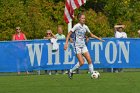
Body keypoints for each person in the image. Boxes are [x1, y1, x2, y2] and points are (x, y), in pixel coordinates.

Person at [64, 13, 104, 79]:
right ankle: (70, 71)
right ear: (79, 19)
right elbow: (69, 34)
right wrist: (66, 43)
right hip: (77, 46)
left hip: (83, 46)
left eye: (84, 18)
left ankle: (92, 74)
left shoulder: (85, 27)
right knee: (82, 62)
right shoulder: (76, 26)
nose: (84, 19)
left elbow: (91, 34)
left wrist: (98, 38)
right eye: (82, 18)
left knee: (89, 60)